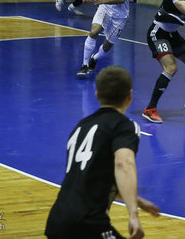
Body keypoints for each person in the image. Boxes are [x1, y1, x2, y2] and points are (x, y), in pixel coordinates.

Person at [45, 66, 160, 239]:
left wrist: (137, 200)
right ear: (129, 96)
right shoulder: (124, 126)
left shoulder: (81, 126)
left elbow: (90, 179)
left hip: (58, 220)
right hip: (87, 222)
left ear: (97, 95)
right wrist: (133, 214)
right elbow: (124, 164)